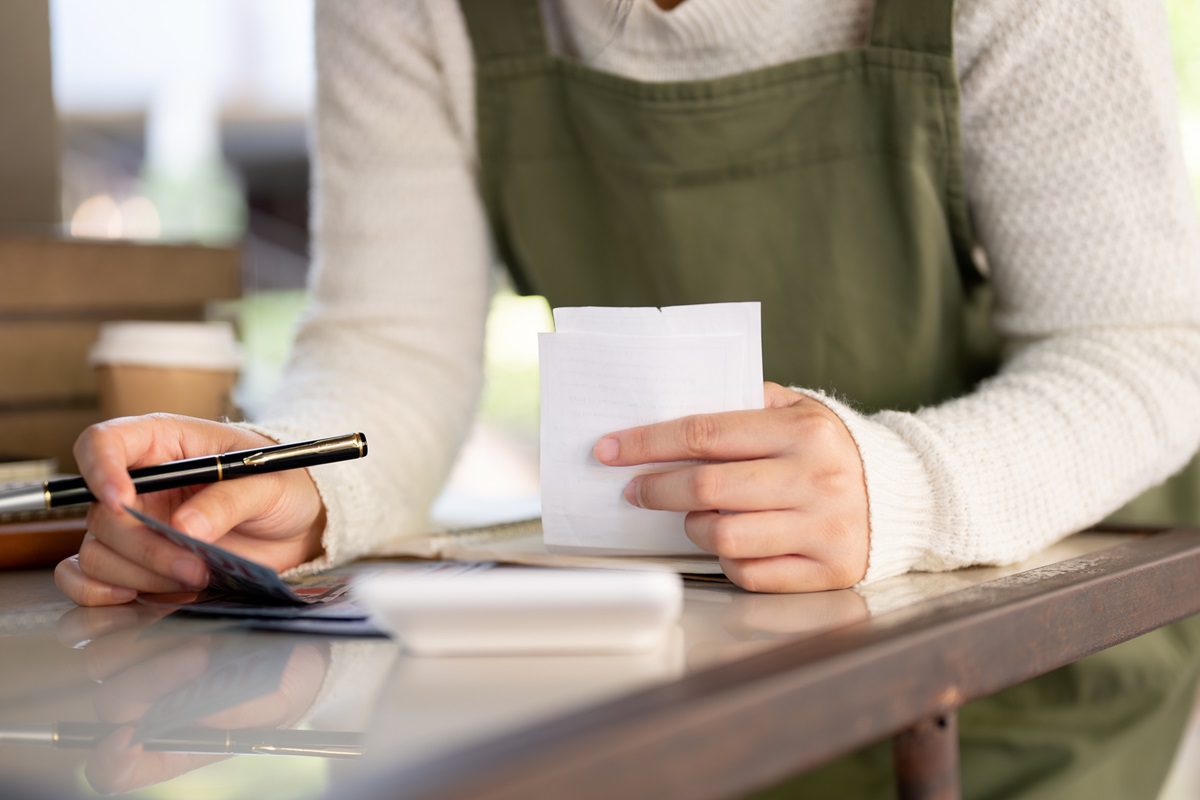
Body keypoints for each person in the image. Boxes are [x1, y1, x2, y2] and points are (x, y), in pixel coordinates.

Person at [55, 0, 1200, 605]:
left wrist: (898, 488)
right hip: (650, 671)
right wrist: (296, 479)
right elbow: (390, 348)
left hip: (1015, 673)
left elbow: (1145, 351)